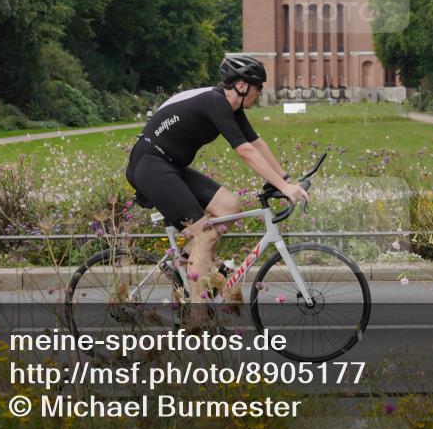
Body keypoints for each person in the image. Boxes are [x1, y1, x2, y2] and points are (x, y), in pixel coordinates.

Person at [125, 55, 308, 310]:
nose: (261, 92)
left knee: (229, 206)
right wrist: (286, 188)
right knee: (206, 234)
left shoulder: (232, 106)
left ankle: (188, 263)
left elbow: (255, 143)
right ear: (242, 86)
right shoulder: (215, 102)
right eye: (259, 86)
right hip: (150, 165)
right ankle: (197, 318)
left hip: (171, 166)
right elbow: (245, 151)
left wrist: (285, 180)